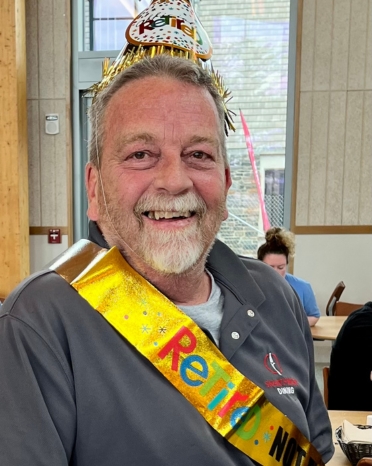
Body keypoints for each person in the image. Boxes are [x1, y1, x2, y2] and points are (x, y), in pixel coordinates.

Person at [0, 3, 333, 465]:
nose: (175, 180)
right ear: (94, 189)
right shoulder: (36, 325)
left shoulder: (277, 297)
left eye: (198, 154)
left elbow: (319, 452)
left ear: (227, 181)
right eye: (141, 154)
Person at [257, 227, 321, 327]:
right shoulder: (251, 287)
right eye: (270, 267)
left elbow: (314, 316)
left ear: (287, 264)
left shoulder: (303, 287)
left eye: (280, 267)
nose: (275, 272)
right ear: (259, 265)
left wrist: (290, 326)